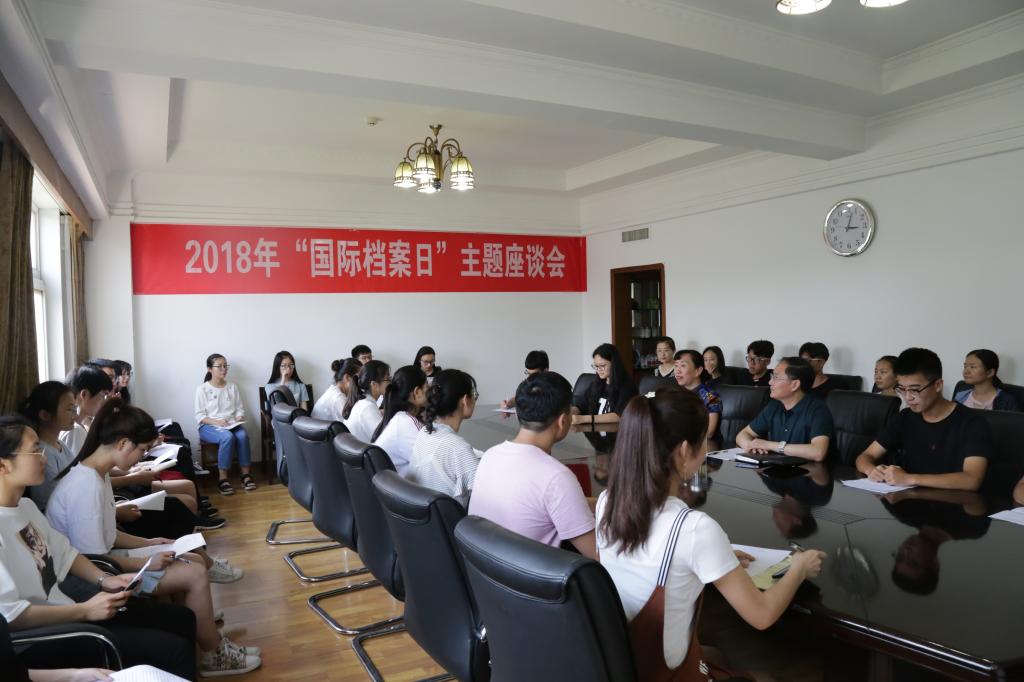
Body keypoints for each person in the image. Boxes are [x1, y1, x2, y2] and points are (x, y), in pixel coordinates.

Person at [596, 386, 826, 680]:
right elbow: (762, 615)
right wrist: (799, 567)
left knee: (714, 655)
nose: (706, 451)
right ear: (683, 451)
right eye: (703, 441)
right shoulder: (694, 529)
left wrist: (718, 558)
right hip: (665, 675)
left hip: (618, 662)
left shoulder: (607, 501)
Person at [44, 401, 259, 676]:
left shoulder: (96, 474)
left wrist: (149, 543)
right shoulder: (85, 486)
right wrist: (147, 559)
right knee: (193, 571)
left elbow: (107, 535)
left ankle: (202, 630)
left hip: (103, 563)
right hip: (90, 579)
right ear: (123, 443)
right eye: (142, 450)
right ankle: (213, 653)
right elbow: (94, 559)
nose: (141, 457)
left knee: (191, 558)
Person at [0, 416, 198, 679]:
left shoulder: (26, 508)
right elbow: (12, 616)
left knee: (182, 619)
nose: (43, 457)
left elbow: (66, 554)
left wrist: (105, 579)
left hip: (70, 613)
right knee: (175, 651)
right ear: (3, 465)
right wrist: (84, 610)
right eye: (35, 450)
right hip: (44, 637)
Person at [470, 372, 596, 559]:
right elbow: (599, 556)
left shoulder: (490, 456)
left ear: (518, 414)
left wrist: (599, 504)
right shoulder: (556, 477)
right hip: (535, 576)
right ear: (563, 421)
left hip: (487, 571)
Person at [855, 348, 992, 492]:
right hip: (907, 499)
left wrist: (909, 478)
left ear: (938, 385)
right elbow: (865, 456)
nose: (908, 397)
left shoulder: (972, 422)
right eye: (902, 389)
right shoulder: (905, 417)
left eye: (914, 389)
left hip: (952, 502)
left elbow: (972, 480)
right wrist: (871, 470)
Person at [735, 357, 834, 462]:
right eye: (772, 376)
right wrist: (750, 445)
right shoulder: (774, 406)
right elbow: (743, 434)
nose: (770, 382)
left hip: (811, 471)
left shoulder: (818, 410)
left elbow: (818, 452)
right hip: (777, 468)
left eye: (776, 377)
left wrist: (769, 445)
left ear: (795, 385)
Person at [407, 369, 479, 502]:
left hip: (424, 511)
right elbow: (486, 495)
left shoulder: (425, 432)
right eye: (474, 394)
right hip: (452, 515)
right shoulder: (458, 448)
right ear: (465, 400)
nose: (475, 399)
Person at [195, 354, 254, 495]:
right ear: (210, 369)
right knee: (227, 437)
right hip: (208, 426)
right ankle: (223, 479)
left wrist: (239, 416)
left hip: (230, 424)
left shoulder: (232, 387)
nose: (224, 369)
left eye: (225, 365)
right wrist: (217, 422)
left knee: (243, 436)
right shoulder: (202, 389)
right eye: (219, 366)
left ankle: (245, 475)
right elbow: (200, 416)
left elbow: (239, 408)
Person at [20, 382, 78, 511]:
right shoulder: (42, 453)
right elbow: (53, 500)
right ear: (45, 415)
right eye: (69, 409)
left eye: (75, 409)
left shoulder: (61, 445)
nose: (75, 415)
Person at [372, 365, 428, 476]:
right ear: (417, 392)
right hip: (394, 485)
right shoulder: (407, 424)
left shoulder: (400, 418)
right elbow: (435, 465)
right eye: (427, 387)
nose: (430, 392)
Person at [571, 343, 638, 426]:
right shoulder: (596, 383)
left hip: (615, 431)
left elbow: (619, 415)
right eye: (596, 366)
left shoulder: (628, 387)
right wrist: (571, 412)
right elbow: (582, 405)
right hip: (596, 430)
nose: (599, 370)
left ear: (614, 364)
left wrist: (584, 419)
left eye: (602, 366)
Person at [61, 365, 112, 457]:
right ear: (84, 394)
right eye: (103, 395)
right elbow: (80, 465)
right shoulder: (75, 430)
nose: (104, 401)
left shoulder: (79, 426)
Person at [672, 350, 721, 441]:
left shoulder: (711, 396)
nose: (677, 371)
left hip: (703, 444)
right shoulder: (675, 392)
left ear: (698, 371)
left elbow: (709, 432)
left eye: (683, 365)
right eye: (676, 365)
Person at [954, 349, 1020, 411]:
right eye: (965, 366)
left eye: (973, 367)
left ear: (990, 372)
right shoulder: (960, 397)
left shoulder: (1007, 401)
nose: (966, 371)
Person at [342, 361, 391, 441]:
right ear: (374, 384)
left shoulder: (363, 402)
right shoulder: (368, 407)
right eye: (388, 379)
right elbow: (385, 440)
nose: (390, 383)